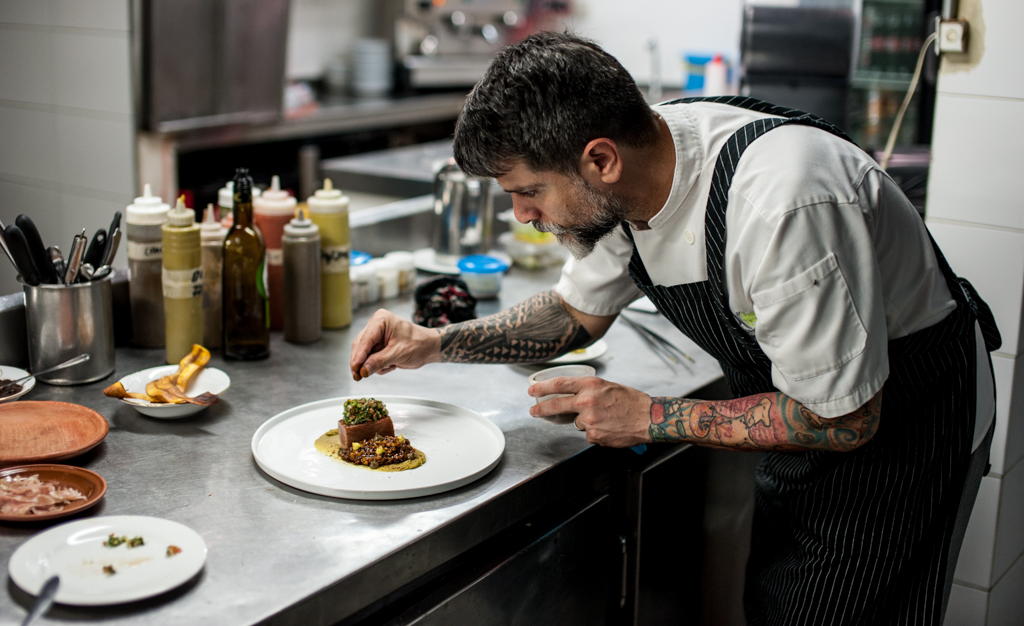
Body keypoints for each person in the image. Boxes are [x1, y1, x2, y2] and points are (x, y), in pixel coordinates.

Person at [349, 32, 1000, 625]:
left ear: (599, 159)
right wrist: (436, 343)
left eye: (530, 191)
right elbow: (574, 313)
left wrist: (653, 417)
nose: (522, 215)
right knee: (779, 603)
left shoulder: (781, 203)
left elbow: (848, 418)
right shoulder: (630, 177)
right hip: (808, 413)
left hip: (910, 423)